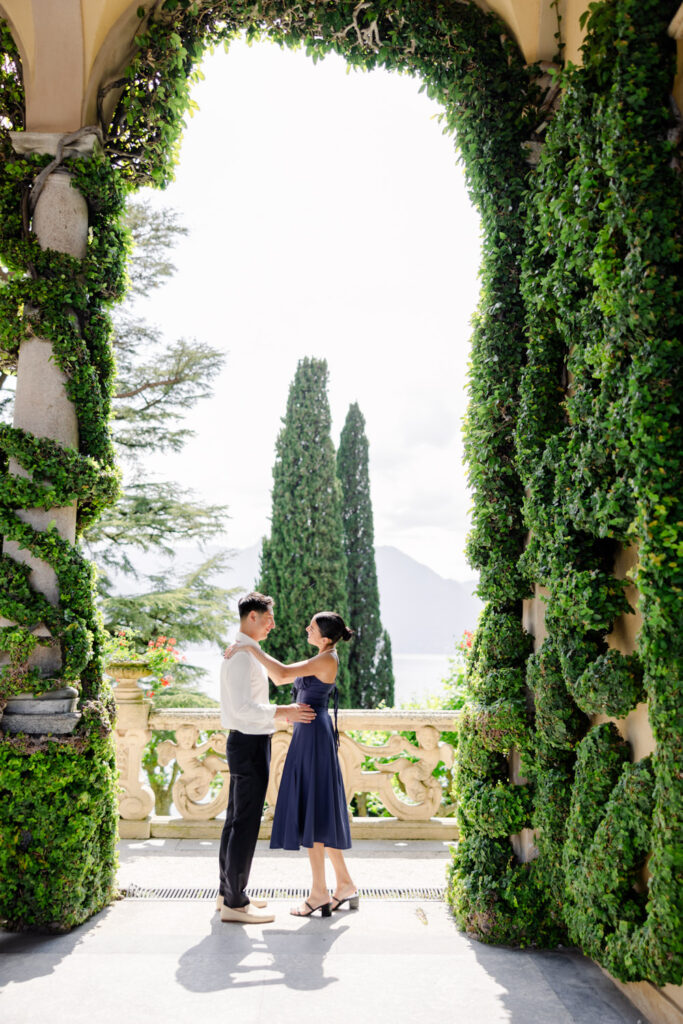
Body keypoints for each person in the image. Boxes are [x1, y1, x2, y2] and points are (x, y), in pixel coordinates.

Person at [226, 610, 358, 918]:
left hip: (314, 737)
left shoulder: (326, 659)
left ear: (325, 638)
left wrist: (249, 647)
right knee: (319, 810)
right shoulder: (320, 656)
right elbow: (278, 675)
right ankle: (344, 884)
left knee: (314, 812)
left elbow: (284, 674)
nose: (306, 629)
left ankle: (318, 894)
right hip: (308, 734)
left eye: (311, 627)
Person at [218, 591, 316, 924]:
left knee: (236, 820)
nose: (273, 624)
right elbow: (243, 708)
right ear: (252, 617)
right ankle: (234, 902)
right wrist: (284, 711)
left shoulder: (247, 651)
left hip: (248, 741)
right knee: (244, 823)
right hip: (247, 744)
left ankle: (228, 893)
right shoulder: (242, 655)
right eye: (268, 617)